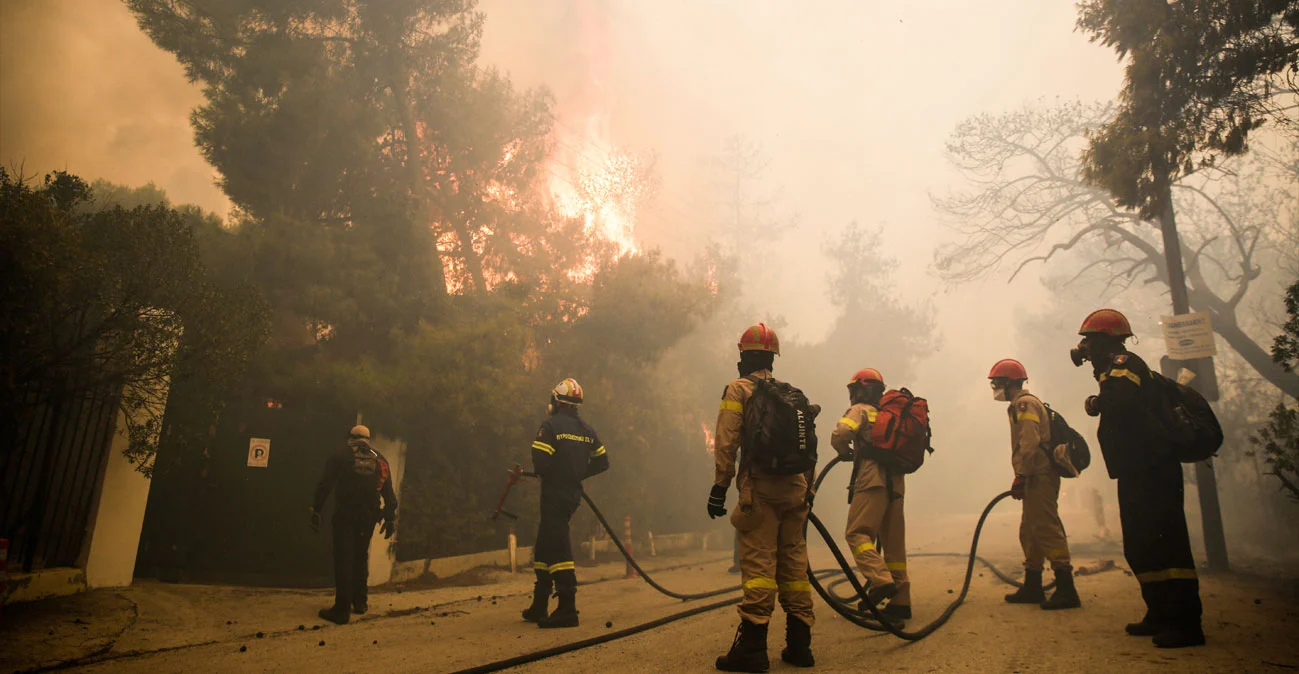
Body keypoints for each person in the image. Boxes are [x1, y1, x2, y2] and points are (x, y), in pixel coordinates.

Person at [1073, 308, 1205, 648]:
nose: (1084, 349)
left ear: (1106, 339)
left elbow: (1121, 400)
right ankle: (1159, 612)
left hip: (1154, 468)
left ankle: (1186, 623)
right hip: (1135, 470)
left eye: (1089, 341)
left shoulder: (1124, 363)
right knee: (1141, 542)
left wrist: (1096, 400)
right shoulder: (1112, 368)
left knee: (1167, 542)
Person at [708, 323, 815, 672]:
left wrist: (720, 487)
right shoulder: (791, 393)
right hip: (796, 488)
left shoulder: (739, 390)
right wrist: (806, 490)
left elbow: (727, 441)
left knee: (758, 566)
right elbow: (807, 449)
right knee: (795, 565)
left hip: (760, 489)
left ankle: (752, 648)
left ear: (744, 356)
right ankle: (800, 645)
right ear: (772, 357)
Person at [988, 359, 1080, 610]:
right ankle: (1033, 585)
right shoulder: (1020, 405)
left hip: (1039, 474)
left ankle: (1066, 588)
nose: (995, 387)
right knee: (1030, 530)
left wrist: (1022, 475)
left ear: (1009, 382)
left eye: (997, 382)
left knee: (1047, 528)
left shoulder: (1025, 404)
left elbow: (1029, 442)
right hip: (1034, 474)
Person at [521, 378, 609, 629]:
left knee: (558, 547)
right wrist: (577, 473)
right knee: (545, 543)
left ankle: (567, 607)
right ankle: (540, 603)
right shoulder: (587, 431)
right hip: (571, 495)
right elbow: (603, 463)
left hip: (554, 495)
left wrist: (558, 474)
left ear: (556, 402)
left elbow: (541, 462)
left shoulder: (550, 426)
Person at [830, 367, 912, 623]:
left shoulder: (860, 410)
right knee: (893, 544)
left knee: (857, 533)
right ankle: (901, 602)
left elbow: (842, 433)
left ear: (858, 390)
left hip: (871, 479)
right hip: (896, 484)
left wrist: (843, 451)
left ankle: (880, 580)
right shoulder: (889, 415)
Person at [311, 425, 398, 625]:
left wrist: (316, 509)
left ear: (350, 437)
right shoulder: (380, 459)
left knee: (344, 557)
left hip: (345, 515)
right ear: (368, 439)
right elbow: (389, 492)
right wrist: (390, 517)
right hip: (368, 517)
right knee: (360, 555)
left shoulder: (340, 455)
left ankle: (341, 609)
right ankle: (360, 602)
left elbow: (325, 484)